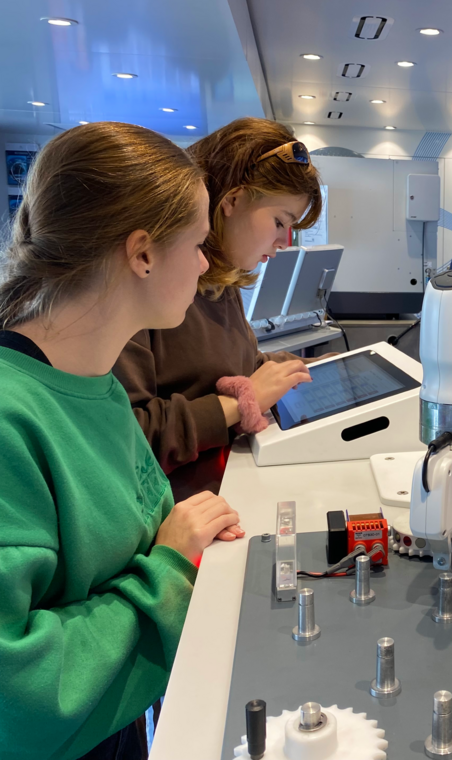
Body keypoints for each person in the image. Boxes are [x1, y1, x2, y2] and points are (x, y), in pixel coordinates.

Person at [0, 122, 244, 759]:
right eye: (195, 243)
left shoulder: (98, 385)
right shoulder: (10, 420)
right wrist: (168, 571)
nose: (202, 263)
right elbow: (16, 694)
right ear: (141, 253)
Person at [114, 118, 323, 501]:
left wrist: (273, 371)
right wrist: (241, 401)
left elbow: (220, 367)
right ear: (231, 200)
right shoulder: (146, 286)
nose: (283, 242)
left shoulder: (220, 280)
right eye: (279, 221)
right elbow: (123, 439)